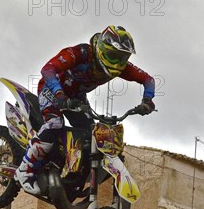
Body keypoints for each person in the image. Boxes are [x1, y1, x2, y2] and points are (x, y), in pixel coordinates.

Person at [15, 25, 156, 195]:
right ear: (103, 49)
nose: (118, 62)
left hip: (77, 97)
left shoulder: (121, 66)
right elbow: (48, 69)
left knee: (91, 134)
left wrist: (147, 100)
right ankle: (24, 170)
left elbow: (148, 79)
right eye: (115, 56)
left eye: (123, 57)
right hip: (52, 90)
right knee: (54, 123)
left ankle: (69, 171)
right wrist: (59, 94)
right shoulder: (81, 53)